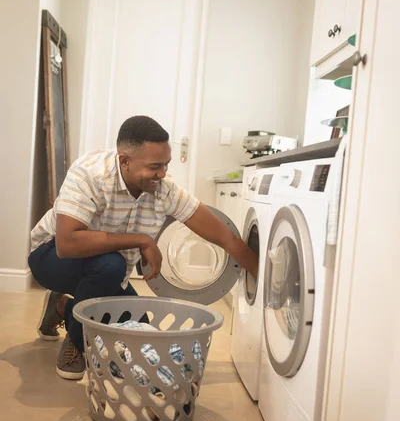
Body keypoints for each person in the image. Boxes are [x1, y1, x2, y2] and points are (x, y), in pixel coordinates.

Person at [28, 116, 258, 380]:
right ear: (124, 161)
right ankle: (77, 342)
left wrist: (262, 280)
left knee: (141, 334)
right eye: (154, 167)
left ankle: (62, 307)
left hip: (108, 271)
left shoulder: (164, 190)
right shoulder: (89, 174)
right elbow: (67, 244)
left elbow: (224, 237)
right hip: (50, 257)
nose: (162, 175)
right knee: (111, 265)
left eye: (166, 165)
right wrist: (141, 239)